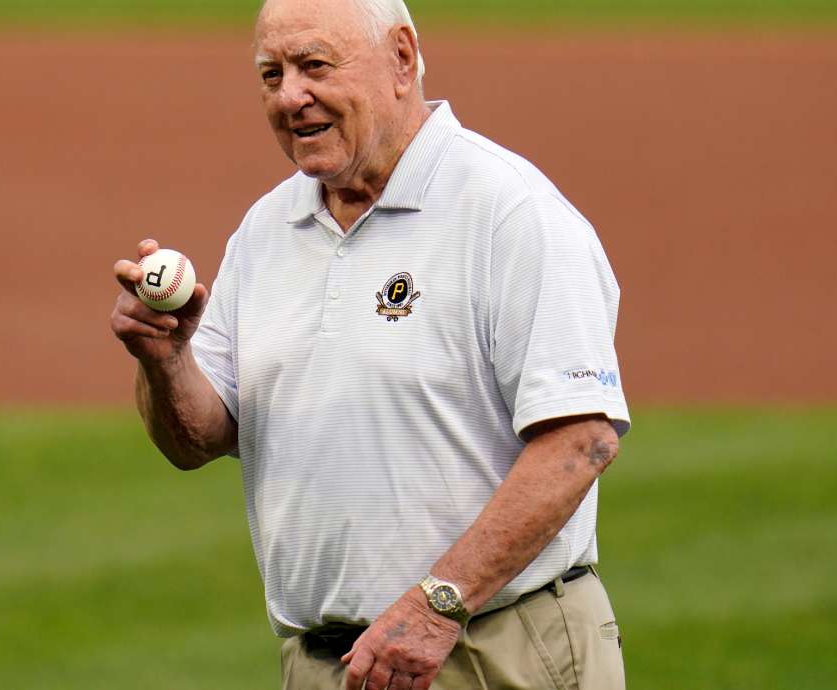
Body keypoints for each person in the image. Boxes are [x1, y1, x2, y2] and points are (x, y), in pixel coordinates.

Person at [110, 0, 630, 687]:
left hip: (492, 648)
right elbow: (198, 439)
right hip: (329, 664)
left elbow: (581, 438)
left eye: (315, 66)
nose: (291, 96)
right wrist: (166, 360)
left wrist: (440, 603)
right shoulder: (267, 231)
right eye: (271, 75)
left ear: (402, 59)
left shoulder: (507, 211)